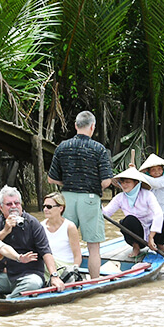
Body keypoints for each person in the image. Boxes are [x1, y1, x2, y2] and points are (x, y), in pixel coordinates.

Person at [48, 110, 113, 279]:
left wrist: (68, 183)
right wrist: (92, 185)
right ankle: (94, 283)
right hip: (90, 199)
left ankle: (61, 277)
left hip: (66, 199)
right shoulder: (99, 149)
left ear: (76, 126)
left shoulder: (62, 147)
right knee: (93, 247)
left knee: (65, 241)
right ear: (93, 127)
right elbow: (106, 181)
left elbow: (51, 178)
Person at [0, 186, 65, 298]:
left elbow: (46, 251)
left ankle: (7, 301)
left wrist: (54, 276)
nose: (14, 207)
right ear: (1, 207)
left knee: (33, 284)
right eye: (9, 204)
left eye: (17, 203)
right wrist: (5, 231)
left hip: (29, 275)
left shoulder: (33, 223)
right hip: (4, 276)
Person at [102, 167, 164, 258]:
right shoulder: (120, 198)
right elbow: (106, 213)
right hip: (137, 235)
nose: (124, 185)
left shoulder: (147, 195)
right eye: (122, 182)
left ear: (136, 183)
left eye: (127, 182)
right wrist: (96, 202)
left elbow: (158, 213)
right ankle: (136, 247)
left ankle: (160, 245)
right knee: (128, 220)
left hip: (154, 233)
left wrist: (151, 237)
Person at [41, 192, 82, 281]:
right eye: (44, 206)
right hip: (47, 265)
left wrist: (73, 272)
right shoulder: (41, 226)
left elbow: (77, 255)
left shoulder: (69, 227)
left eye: (49, 207)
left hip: (64, 267)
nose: (45, 209)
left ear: (60, 208)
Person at [138, 153, 164, 222]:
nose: (157, 172)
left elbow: (156, 183)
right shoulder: (146, 183)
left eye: (159, 169)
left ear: (163, 169)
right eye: (153, 170)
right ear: (148, 172)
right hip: (154, 217)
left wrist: (137, 173)